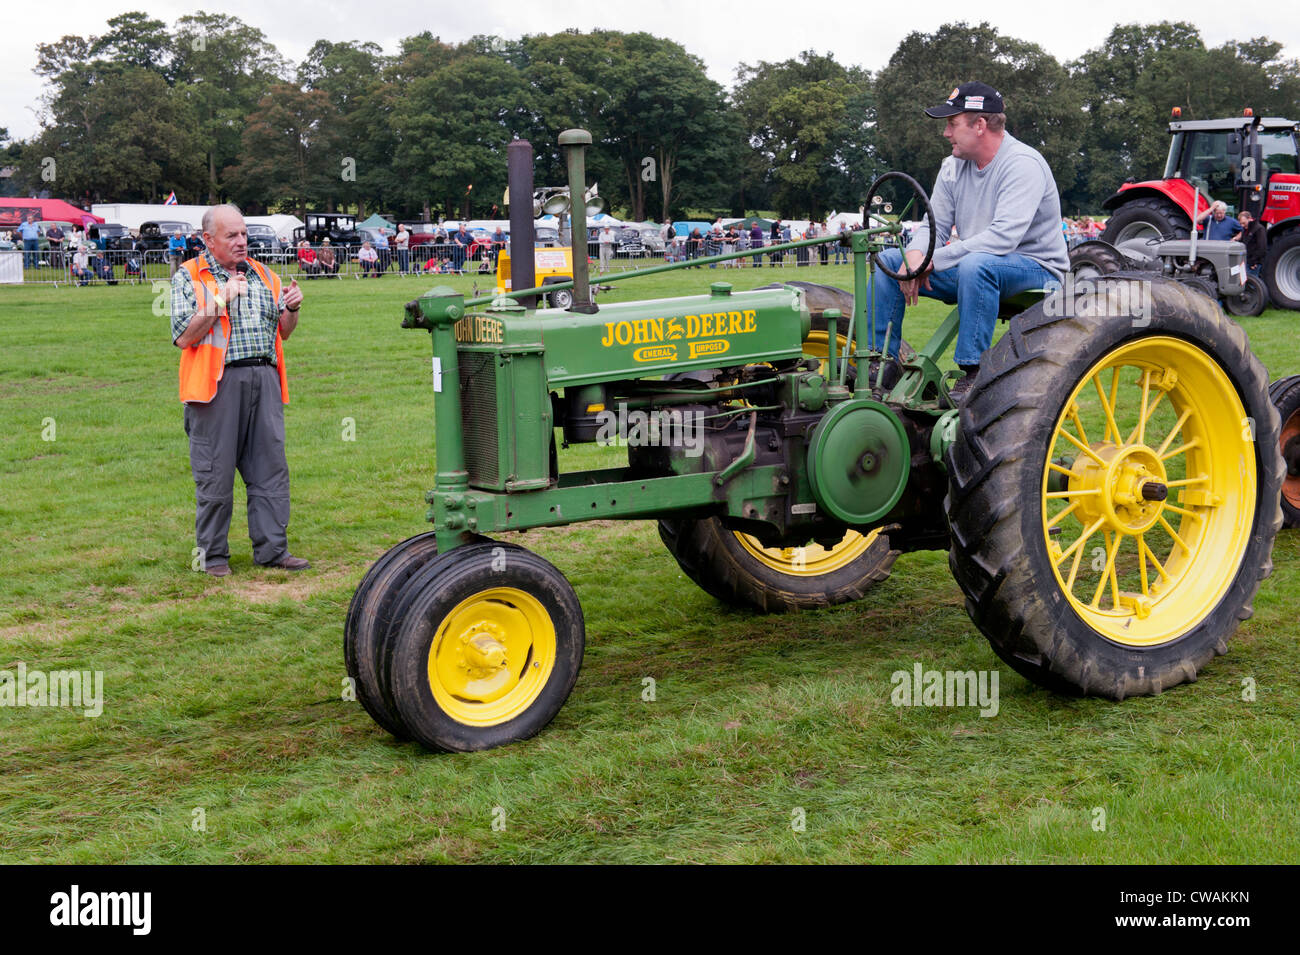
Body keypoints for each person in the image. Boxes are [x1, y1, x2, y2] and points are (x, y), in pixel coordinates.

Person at [869, 81, 1069, 404]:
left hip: (1036, 269)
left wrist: (936, 260)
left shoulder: (1023, 165)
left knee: (979, 264)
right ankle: (881, 365)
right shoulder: (952, 166)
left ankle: (973, 372)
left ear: (979, 125)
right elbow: (933, 225)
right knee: (893, 261)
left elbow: (1004, 238)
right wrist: (917, 254)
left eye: (952, 123)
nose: (946, 133)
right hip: (976, 266)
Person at [168, 203, 308, 577]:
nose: (242, 241)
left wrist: (292, 308)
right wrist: (221, 299)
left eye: (244, 234)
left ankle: (273, 551)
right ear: (208, 240)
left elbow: (284, 332)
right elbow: (183, 336)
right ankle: (213, 557)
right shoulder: (189, 276)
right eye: (232, 235)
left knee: (270, 470)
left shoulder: (264, 274)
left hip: (265, 381)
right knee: (214, 474)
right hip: (216, 388)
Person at [1232, 210, 1267, 275]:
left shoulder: (1259, 229)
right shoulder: (1245, 229)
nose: (1242, 225)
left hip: (1253, 263)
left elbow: (1262, 248)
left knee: (1251, 282)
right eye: (1240, 224)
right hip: (1245, 261)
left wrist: (1253, 262)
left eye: (1244, 223)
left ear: (1250, 219)